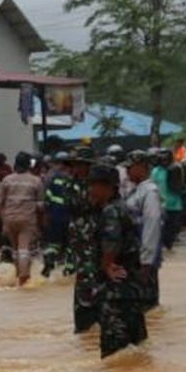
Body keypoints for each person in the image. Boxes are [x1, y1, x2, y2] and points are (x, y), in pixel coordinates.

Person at [87, 163, 148, 358]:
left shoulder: (111, 211)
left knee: (114, 354)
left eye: (93, 185)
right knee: (135, 349)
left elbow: (112, 242)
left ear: (107, 186)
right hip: (131, 287)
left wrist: (106, 267)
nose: (90, 190)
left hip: (116, 292)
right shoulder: (125, 207)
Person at [0, 152, 44, 286]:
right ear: (29, 165)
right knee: (24, 248)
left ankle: (18, 277)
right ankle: (24, 281)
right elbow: (41, 206)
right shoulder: (36, 180)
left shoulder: (7, 180)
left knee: (15, 249)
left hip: (9, 220)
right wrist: (40, 223)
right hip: (27, 219)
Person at [65, 148, 100, 333]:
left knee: (94, 281)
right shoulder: (72, 185)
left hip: (94, 241)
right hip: (79, 243)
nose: (76, 169)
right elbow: (72, 206)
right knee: (83, 282)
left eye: (79, 165)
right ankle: (85, 326)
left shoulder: (98, 185)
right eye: (75, 165)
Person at [123, 151, 163, 309]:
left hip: (144, 259)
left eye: (130, 168)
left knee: (146, 307)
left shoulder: (149, 192)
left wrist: (146, 261)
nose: (127, 172)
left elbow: (152, 226)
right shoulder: (137, 190)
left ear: (141, 167)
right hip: (136, 256)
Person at [41, 154, 77, 278]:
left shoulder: (54, 178)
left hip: (54, 216)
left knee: (53, 244)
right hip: (70, 218)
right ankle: (69, 272)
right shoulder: (75, 180)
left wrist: (46, 215)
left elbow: (47, 198)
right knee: (70, 246)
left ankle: (49, 262)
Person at [150, 149, 185, 250]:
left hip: (174, 205)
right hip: (159, 205)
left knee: (171, 232)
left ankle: (169, 248)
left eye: (166, 159)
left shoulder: (176, 169)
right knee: (160, 231)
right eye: (162, 159)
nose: (164, 161)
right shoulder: (155, 171)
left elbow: (181, 185)